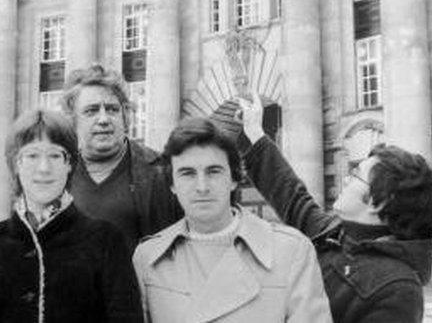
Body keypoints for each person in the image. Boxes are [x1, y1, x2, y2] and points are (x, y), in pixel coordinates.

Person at [231, 93, 432, 323]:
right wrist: (254, 130)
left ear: (379, 202)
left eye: (356, 174)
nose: (346, 179)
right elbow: (292, 196)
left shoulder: (399, 290)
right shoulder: (337, 233)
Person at [132, 117, 332, 323]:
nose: (202, 186)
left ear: (234, 179)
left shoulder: (291, 252)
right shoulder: (147, 259)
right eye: (187, 173)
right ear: (172, 185)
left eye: (213, 171)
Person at [0, 109, 142, 323]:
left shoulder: (106, 240)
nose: (44, 168)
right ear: (17, 164)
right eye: (32, 155)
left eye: (54, 155)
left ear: (69, 164)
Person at [60, 65, 182, 248]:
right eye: (91, 111)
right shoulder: (57, 177)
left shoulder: (163, 173)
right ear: (73, 122)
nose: (103, 120)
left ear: (125, 117)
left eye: (111, 109)